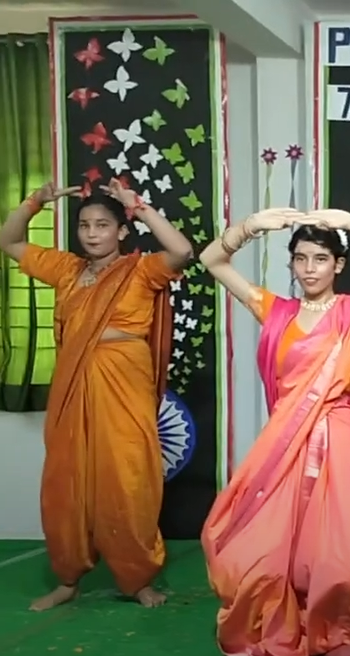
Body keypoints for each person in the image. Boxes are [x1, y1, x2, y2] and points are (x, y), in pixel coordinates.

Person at [199, 207, 350, 656]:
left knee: (345, 563)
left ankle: (337, 637)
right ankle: (278, 628)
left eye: (320, 259)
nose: (309, 269)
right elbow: (211, 261)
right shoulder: (276, 311)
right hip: (284, 443)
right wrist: (251, 227)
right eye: (300, 259)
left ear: (339, 264)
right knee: (263, 557)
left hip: (338, 437)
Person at [0, 179, 192, 611]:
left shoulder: (140, 271)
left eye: (102, 225)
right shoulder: (67, 270)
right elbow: (8, 241)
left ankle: (137, 580)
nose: (91, 233)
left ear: (121, 231)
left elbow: (182, 251)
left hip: (124, 384)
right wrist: (34, 202)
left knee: (129, 480)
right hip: (74, 386)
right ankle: (68, 579)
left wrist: (138, 205)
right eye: (85, 225)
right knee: (67, 482)